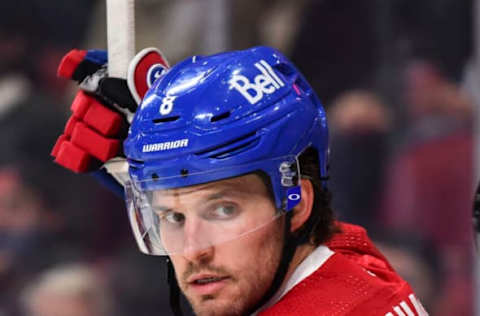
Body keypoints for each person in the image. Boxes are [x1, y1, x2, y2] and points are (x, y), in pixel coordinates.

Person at [52, 46, 428, 315]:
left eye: (223, 209)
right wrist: (170, 159)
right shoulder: (349, 264)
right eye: (173, 218)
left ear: (298, 203)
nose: (193, 250)